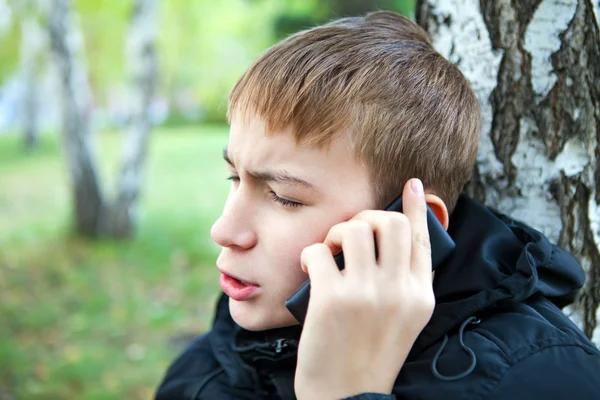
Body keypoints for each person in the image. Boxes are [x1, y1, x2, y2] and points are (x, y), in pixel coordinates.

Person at [155, 11, 600, 400]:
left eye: (284, 197)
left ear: (409, 225)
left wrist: (345, 394)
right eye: (236, 177)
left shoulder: (538, 381)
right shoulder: (214, 362)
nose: (225, 230)